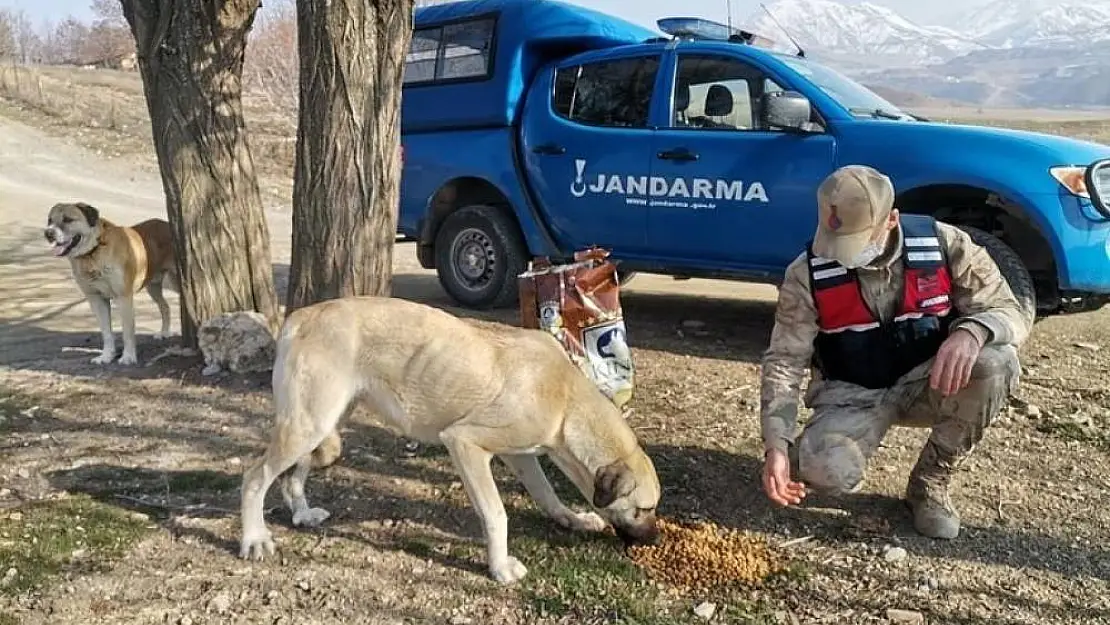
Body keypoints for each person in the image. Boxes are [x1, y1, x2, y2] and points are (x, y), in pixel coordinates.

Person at [758, 164, 1030, 539]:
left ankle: (930, 483)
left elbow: (1010, 310)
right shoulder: (806, 273)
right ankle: (805, 451)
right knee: (826, 472)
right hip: (854, 393)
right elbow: (785, 362)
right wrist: (776, 443)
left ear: (892, 220)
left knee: (996, 362)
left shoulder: (946, 245)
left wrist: (973, 332)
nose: (841, 255)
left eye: (854, 241)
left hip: (928, 382)